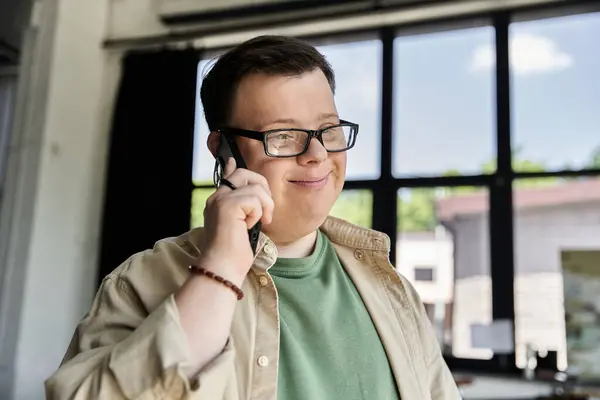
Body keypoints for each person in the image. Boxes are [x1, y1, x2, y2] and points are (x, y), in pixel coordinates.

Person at [45, 35, 461, 399]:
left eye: (328, 130)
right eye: (284, 135)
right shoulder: (142, 282)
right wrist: (220, 270)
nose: (317, 155)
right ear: (223, 148)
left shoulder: (392, 289)